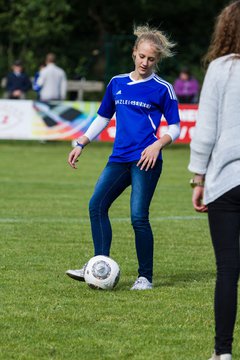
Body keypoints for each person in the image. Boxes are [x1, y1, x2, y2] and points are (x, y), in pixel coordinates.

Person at [66, 25, 181, 290]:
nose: (145, 62)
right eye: (142, 56)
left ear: (157, 60)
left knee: (138, 216)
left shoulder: (163, 88)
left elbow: (174, 127)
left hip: (146, 160)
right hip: (118, 159)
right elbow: (103, 117)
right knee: (96, 205)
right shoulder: (117, 83)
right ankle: (98, 265)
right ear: (134, 53)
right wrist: (81, 142)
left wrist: (158, 146)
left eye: (151, 59)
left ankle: (145, 277)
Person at [188, 1, 240, 359]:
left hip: (226, 181)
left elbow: (206, 129)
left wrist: (198, 177)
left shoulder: (222, 68)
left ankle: (222, 353)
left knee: (227, 270)